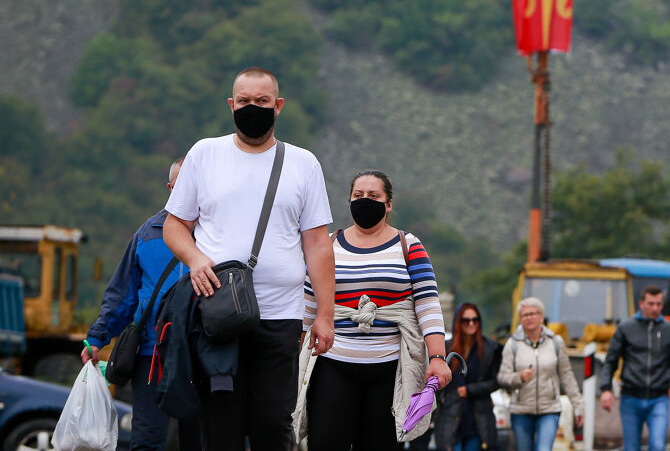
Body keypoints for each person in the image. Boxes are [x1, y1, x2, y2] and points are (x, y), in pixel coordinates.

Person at [163, 67, 336, 451]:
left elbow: (318, 245)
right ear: (231, 105)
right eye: (244, 101)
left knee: (273, 424)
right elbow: (174, 226)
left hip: (280, 317)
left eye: (261, 101)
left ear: (278, 106)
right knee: (220, 424)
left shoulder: (303, 163)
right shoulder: (204, 154)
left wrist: (325, 313)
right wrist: (194, 259)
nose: (252, 108)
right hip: (218, 314)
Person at [299, 169, 451, 451]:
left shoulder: (409, 246)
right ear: (349, 200)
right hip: (333, 364)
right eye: (358, 196)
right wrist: (295, 352)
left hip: (389, 370)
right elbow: (309, 305)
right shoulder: (328, 245)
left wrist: (438, 356)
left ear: (388, 204)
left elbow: (428, 304)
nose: (364, 201)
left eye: (373, 196)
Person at [83, 158, 199, 451]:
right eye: (181, 185)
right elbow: (123, 293)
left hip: (204, 353)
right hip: (153, 354)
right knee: (147, 442)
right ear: (171, 188)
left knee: (203, 441)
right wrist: (97, 337)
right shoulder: (148, 234)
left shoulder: (222, 233)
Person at [600, 286, 670, 451]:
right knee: (631, 447)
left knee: (657, 445)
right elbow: (611, 360)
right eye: (651, 303)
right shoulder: (626, 328)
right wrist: (606, 388)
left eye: (659, 304)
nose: (655, 308)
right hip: (631, 396)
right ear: (641, 304)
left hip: (659, 398)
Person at [498, 297, 584, 451]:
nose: (530, 317)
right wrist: (519, 377)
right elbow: (502, 377)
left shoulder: (556, 342)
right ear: (520, 319)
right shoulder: (512, 345)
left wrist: (578, 406)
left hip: (549, 409)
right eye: (525, 315)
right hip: (521, 410)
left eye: (533, 313)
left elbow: (566, 375)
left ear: (541, 317)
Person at [434, 303, 501, 451]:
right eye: (466, 320)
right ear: (458, 322)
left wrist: (470, 389)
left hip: (478, 417)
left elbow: (497, 380)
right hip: (450, 415)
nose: (471, 324)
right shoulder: (446, 348)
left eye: (475, 320)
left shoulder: (490, 348)